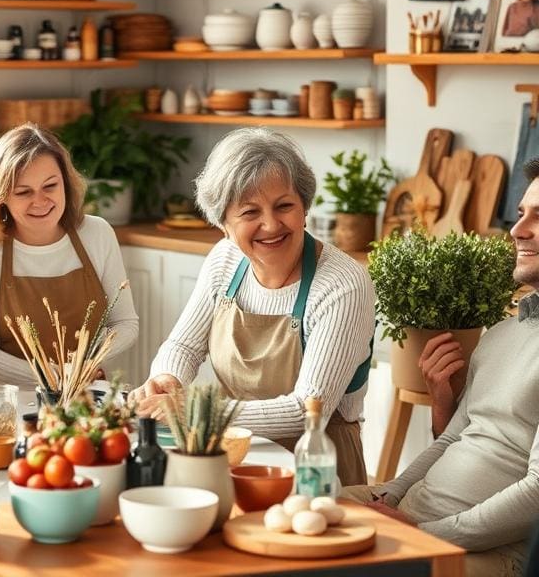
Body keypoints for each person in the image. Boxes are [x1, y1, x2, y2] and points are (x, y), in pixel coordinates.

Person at [130, 128, 375, 486]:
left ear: (304, 208)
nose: (271, 224)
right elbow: (183, 345)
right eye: (249, 212)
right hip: (234, 457)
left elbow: (304, 413)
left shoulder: (342, 284)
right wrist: (167, 379)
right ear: (223, 225)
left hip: (316, 472)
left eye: (284, 206)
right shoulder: (224, 261)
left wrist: (197, 412)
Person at [341, 156, 539, 577]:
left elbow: (538, 494)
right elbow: (450, 440)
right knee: (305, 511)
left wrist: (423, 532)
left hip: (486, 551)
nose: (518, 230)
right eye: (521, 214)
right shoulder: (504, 331)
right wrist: (389, 498)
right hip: (421, 516)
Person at [0, 124, 138, 387]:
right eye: (23, 192)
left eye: (50, 186)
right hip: (9, 399)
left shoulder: (97, 234)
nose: (40, 201)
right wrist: (58, 377)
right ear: (1, 197)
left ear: (66, 183)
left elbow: (126, 323)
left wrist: (86, 362)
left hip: (83, 392)